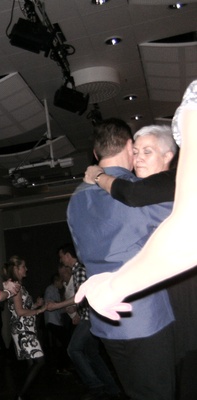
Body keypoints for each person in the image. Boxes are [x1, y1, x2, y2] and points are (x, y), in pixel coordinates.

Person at [67, 117, 176, 400]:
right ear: (129, 146)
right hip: (145, 314)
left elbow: (81, 254)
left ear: (96, 154)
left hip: (104, 318)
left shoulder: (75, 199)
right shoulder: (140, 191)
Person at [48, 245, 121, 399]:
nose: (61, 260)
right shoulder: (79, 270)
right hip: (90, 317)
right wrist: (75, 308)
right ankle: (112, 388)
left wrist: (57, 305)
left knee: (73, 350)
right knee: (92, 354)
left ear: (68, 255)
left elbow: (80, 296)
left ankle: (95, 385)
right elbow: (84, 297)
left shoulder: (79, 270)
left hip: (89, 318)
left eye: (61, 256)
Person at [4, 255, 46, 400]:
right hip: (23, 329)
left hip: (25, 328)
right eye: (23, 267)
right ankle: (20, 394)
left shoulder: (19, 286)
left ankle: (23, 393)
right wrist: (39, 310)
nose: (26, 269)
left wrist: (35, 305)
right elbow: (20, 312)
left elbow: (24, 308)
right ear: (16, 269)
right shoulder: (15, 287)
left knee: (32, 362)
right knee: (39, 361)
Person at [43, 272, 70, 375]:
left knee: (66, 342)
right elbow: (49, 304)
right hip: (52, 321)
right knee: (66, 341)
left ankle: (62, 366)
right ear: (56, 281)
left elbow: (58, 308)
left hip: (56, 322)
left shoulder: (56, 291)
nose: (62, 283)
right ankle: (61, 367)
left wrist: (66, 309)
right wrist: (64, 304)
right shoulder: (50, 289)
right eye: (61, 281)